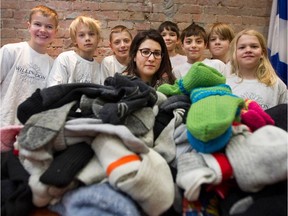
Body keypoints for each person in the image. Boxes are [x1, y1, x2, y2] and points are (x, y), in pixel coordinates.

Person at [0, 5, 58, 127]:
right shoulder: (10, 51)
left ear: (55, 32)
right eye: (37, 24)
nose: (42, 30)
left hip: (29, 129)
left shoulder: (53, 65)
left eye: (49, 26)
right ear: (28, 26)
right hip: (3, 122)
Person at [226, 29, 287, 110]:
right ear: (235, 53)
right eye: (242, 47)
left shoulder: (276, 83)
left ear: (262, 53)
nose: (248, 50)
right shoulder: (226, 84)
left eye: (254, 46)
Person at [47, 16, 101, 86]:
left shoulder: (98, 67)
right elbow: (54, 89)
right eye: (81, 35)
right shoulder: (65, 59)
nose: (87, 38)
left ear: (98, 38)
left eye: (91, 34)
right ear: (75, 40)